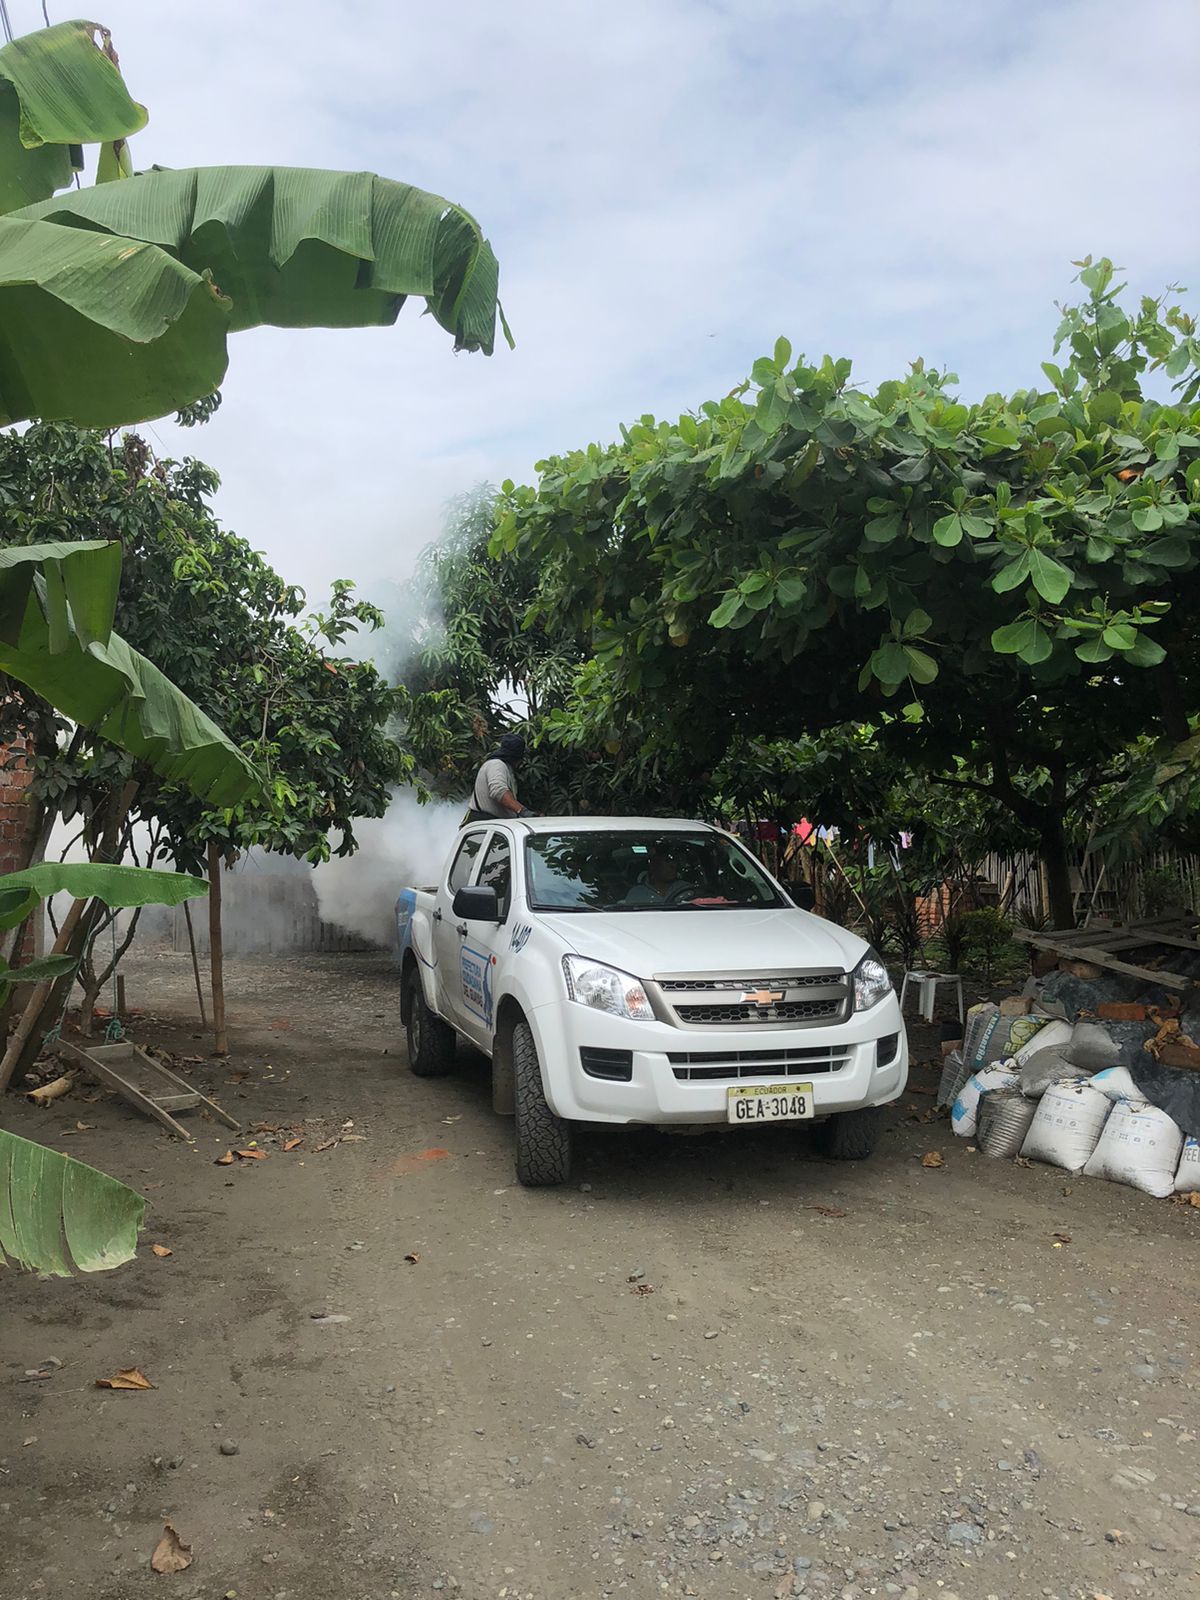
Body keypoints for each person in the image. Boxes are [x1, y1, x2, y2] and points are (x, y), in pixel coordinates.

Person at [464, 732, 537, 824]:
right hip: (483, 824)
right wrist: (523, 811)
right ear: (516, 757)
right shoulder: (497, 765)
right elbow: (498, 791)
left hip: (493, 824)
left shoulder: (504, 767)